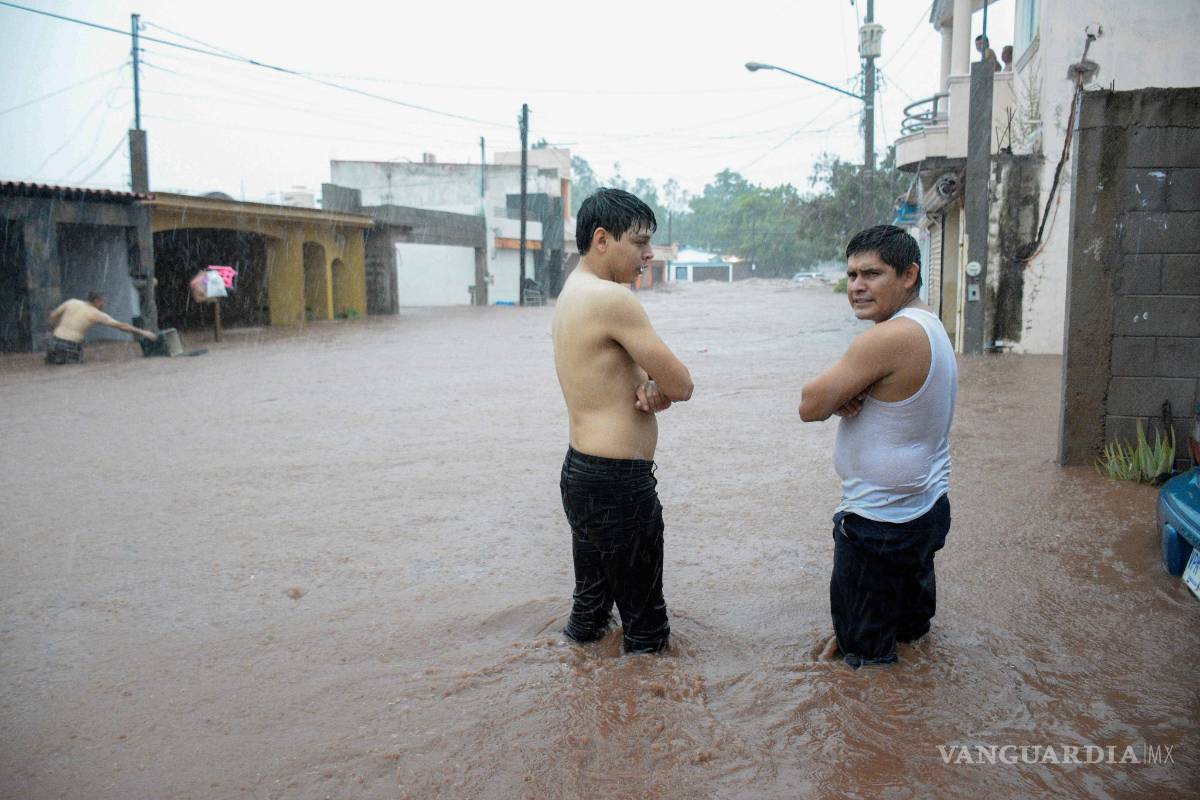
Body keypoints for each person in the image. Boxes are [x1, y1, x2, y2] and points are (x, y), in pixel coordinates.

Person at [799, 225, 957, 669]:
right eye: (851, 275)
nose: (856, 287)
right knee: (910, 638)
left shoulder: (888, 337)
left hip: (878, 526)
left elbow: (810, 405)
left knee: (865, 664)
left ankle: (881, 733)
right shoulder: (931, 327)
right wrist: (852, 390)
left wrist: (837, 395)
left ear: (909, 275)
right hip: (923, 513)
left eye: (871, 274)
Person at [552, 188, 694, 654]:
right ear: (602, 239)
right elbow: (683, 384)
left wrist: (656, 389)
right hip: (618, 485)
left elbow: (631, 382)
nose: (649, 254)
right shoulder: (613, 299)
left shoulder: (572, 292)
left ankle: (578, 704)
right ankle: (647, 721)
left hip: (582, 475)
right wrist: (662, 388)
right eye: (639, 242)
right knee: (647, 631)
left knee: (590, 614)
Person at [45, 291, 157, 364]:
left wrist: (51, 332)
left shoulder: (72, 302)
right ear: (97, 301)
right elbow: (121, 326)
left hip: (54, 343)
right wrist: (143, 332)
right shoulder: (95, 313)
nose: (104, 304)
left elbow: (52, 316)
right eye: (103, 301)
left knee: (54, 368)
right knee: (71, 374)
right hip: (70, 346)